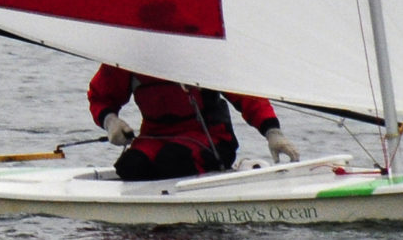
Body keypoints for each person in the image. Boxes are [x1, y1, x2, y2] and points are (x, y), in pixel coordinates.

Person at [90, 63, 298, 181]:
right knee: (130, 166)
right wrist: (111, 122)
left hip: (210, 139)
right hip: (155, 138)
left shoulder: (200, 52)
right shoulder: (129, 56)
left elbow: (246, 96)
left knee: (172, 160)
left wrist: (273, 132)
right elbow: (101, 97)